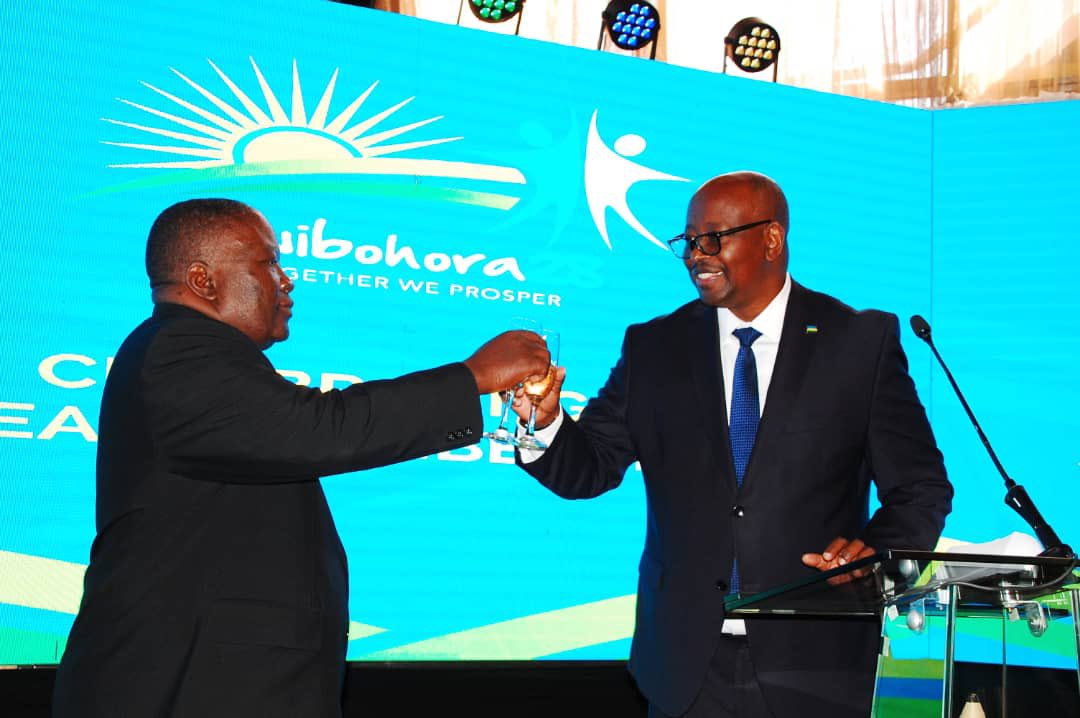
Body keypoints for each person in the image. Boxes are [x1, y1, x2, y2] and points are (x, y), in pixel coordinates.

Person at [52, 198, 550, 718]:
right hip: (191, 685)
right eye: (267, 263)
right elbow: (319, 427)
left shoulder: (198, 356)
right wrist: (471, 378)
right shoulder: (179, 349)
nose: (286, 281)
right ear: (203, 280)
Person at [514, 172, 953, 718]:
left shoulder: (857, 343)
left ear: (772, 238)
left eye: (715, 237)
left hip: (818, 664)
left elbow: (919, 488)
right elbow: (589, 469)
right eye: (689, 240)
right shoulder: (654, 347)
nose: (698, 254)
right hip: (687, 669)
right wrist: (545, 421)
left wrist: (874, 553)